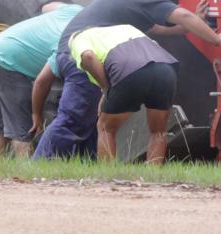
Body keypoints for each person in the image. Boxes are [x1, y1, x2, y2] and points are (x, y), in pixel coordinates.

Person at [33, 0, 221, 159]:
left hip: (80, 52)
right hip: (81, 52)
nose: (162, 1)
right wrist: (216, 38)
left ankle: (93, 168)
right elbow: (184, 16)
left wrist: (194, 23)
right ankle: (40, 165)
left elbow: (160, 29)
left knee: (95, 120)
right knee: (73, 120)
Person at [69, 24, 178, 164]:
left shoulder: (79, 38)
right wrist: (107, 94)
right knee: (158, 131)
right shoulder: (125, 28)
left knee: (105, 127)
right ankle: (153, 177)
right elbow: (153, 45)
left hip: (129, 70)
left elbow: (88, 56)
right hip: (165, 68)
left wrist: (106, 88)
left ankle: (107, 175)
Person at [0, 1, 83, 157]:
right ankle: (25, 174)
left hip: (0, 45)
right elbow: (41, 82)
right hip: (8, 61)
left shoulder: (76, 10)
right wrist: (36, 115)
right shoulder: (67, 45)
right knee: (23, 128)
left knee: (1, 122)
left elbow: (46, 7)